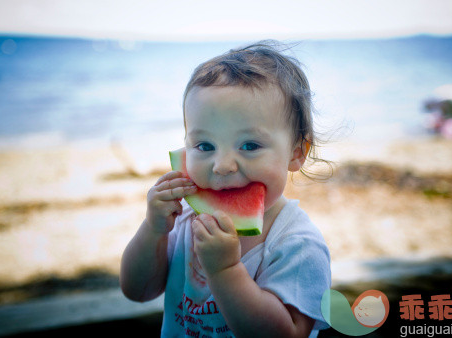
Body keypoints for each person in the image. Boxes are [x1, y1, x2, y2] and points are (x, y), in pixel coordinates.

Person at [120, 41, 331, 338]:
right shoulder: (182, 221)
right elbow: (137, 291)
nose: (222, 165)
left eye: (250, 145)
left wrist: (225, 271)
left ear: (297, 152)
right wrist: (153, 229)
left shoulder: (297, 245)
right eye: (204, 146)